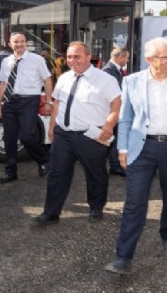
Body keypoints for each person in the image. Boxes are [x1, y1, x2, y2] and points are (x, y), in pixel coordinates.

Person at [105, 37, 167, 274]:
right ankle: (124, 256)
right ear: (150, 59)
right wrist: (122, 149)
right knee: (134, 202)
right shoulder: (132, 81)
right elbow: (126, 117)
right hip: (142, 148)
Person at [34, 42, 121, 224]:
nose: (72, 61)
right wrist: (52, 126)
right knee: (57, 174)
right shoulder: (65, 78)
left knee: (95, 173)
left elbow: (117, 103)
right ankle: (51, 213)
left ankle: (96, 207)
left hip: (90, 136)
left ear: (89, 57)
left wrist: (109, 125)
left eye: (77, 57)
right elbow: (57, 103)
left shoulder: (105, 79)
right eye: (69, 57)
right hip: (64, 135)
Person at [0, 32, 53, 183]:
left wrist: (48, 102)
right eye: (16, 42)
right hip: (9, 102)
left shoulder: (37, 60)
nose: (19, 44)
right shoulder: (6, 61)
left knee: (27, 136)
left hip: (29, 102)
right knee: (9, 138)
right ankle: (10, 172)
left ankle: (43, 161)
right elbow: (3, 83)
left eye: (22, 41)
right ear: (10, 44)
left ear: (26, 43)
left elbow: (47, 80)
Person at [102, 47, 129, 176]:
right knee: (113, 138)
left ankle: (113, 164)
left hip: (115, 109)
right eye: (127, 58)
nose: (127, 60)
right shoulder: (108, 71)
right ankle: (114, 165)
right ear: (120, 57)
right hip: (111, 110)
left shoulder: (114, 70)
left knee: (113, 138)